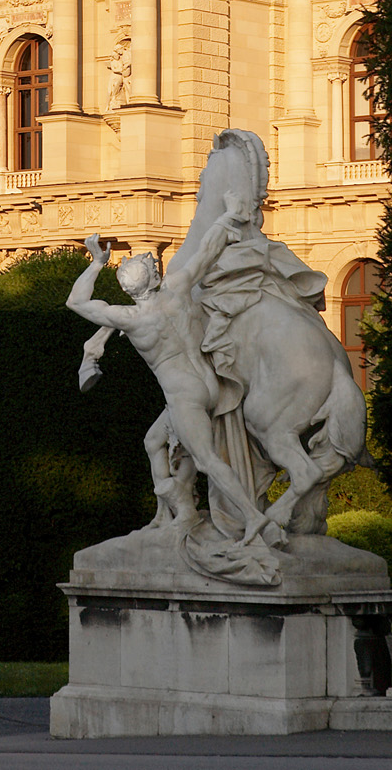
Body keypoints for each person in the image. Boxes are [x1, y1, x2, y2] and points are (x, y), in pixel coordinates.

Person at [67, 194, 272, 545]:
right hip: (211, 383)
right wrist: (228, 217)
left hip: (183, 395)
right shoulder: (176, 290)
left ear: (128, 289)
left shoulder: (131, 318)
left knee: (207, 459)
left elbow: (76, 302)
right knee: (154, 441)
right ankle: (174, 511)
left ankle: (253, 518)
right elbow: (206, 251)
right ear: (154, 275)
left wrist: (97, 261)